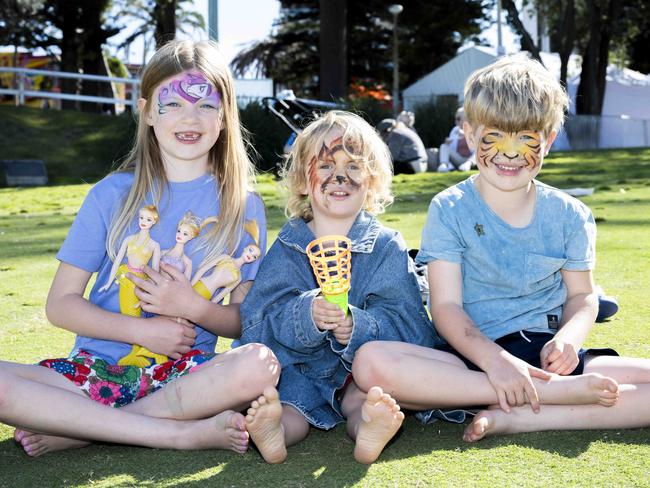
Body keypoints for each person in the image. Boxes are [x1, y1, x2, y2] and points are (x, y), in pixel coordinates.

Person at [1, 39, 279, 457]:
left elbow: (242, 322)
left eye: (206, 105)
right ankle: (174, 434)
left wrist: (192, 306)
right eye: (174, 104)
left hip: (186, 378)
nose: (191, 117)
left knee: (260, 364)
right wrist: (143, 331)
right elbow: (60, 305)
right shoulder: (111, 195)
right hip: (95, 373)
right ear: (148, 111)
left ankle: (83, 428)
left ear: (225, 116)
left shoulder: (244, 207)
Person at [355, 54, 650, 443]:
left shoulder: (571, 215)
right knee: (370, 362)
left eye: (526, 138)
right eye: (496, 136)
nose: (510, 154)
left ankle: (527, 417)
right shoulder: (450, 208)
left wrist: (569, 340)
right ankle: (538, 396)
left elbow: (583, 297)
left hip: (548, 358)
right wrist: (497, 363)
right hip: (469, 363)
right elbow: (445, 308)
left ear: (548, 139)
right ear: (470, 133)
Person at [238, 110, 435, 464]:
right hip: (300, 370)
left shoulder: (385, 246)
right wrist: (305, 313)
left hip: (361, 373)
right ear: (302, 180)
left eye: (354, 166)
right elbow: (256, 319)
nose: (339, 176)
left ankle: (369, 431)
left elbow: (412, 326)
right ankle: (274, 433)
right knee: (289, 404)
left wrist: (358, 326)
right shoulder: (288, 246)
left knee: (365, 400)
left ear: (372, 182)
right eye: (325, 166)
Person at [437, 107, 474, 172]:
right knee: (443, 146)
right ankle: (444, 165)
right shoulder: (455, 130)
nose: (456, 121)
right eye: (456, 119)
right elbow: (451, 146)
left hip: (471, 160)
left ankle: (467, 165)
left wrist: (465, 135)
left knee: (480, 150)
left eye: (458, 118)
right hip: (458, 159)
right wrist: (448, 143)